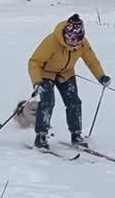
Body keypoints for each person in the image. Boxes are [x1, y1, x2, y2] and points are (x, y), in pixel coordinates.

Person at [28, 14, 110, 150]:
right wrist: (37, 82)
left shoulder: (82, 44)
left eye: (77, 39)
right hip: (46, 74)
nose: (73, 42)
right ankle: (41, 137)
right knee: (48, 102)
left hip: (66, 74)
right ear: (65, 34)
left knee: (74, 102)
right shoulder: (51, 42)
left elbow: (91, 60)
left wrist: (101, 76)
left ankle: (76, 135)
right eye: (70, 38)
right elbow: (34, 62)